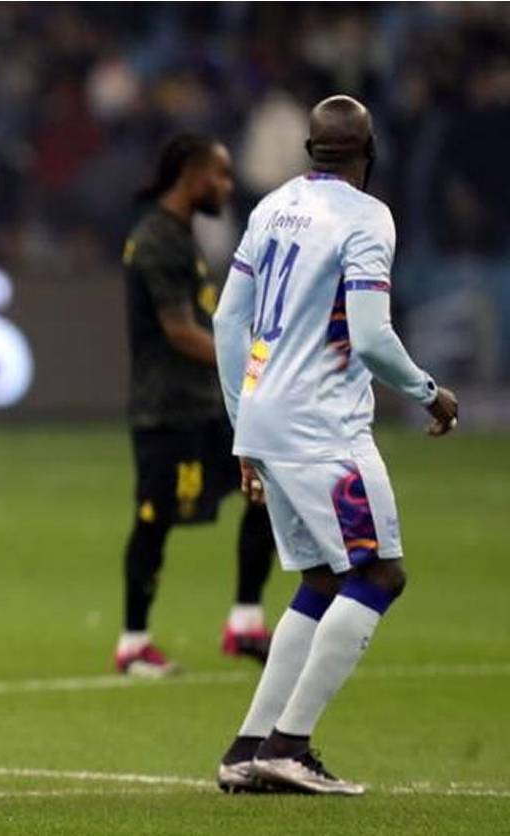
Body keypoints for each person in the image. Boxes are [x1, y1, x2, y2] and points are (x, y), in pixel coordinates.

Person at [213, 96, 458, 795]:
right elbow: (374, 337)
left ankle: (247, 749)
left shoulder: (272, 207)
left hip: (265, 413)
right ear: (368, 151)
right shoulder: (367, 217)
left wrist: (242, 423)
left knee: (323, 577)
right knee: (380, 574)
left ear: (310, 149)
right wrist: (428, 391)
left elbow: (229, 320)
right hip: (323, 426)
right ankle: (289, 746)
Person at [116, 134, 278, 677]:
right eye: (220, 175)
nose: (227, 187)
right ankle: (134, 642)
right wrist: (247, 368)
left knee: (266, 489)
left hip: (205, 407)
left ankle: (246, 622)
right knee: (154, 521)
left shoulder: (181, 236)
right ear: (189, 172)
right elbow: (179, 331)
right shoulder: (157, 238)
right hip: (167, 410)